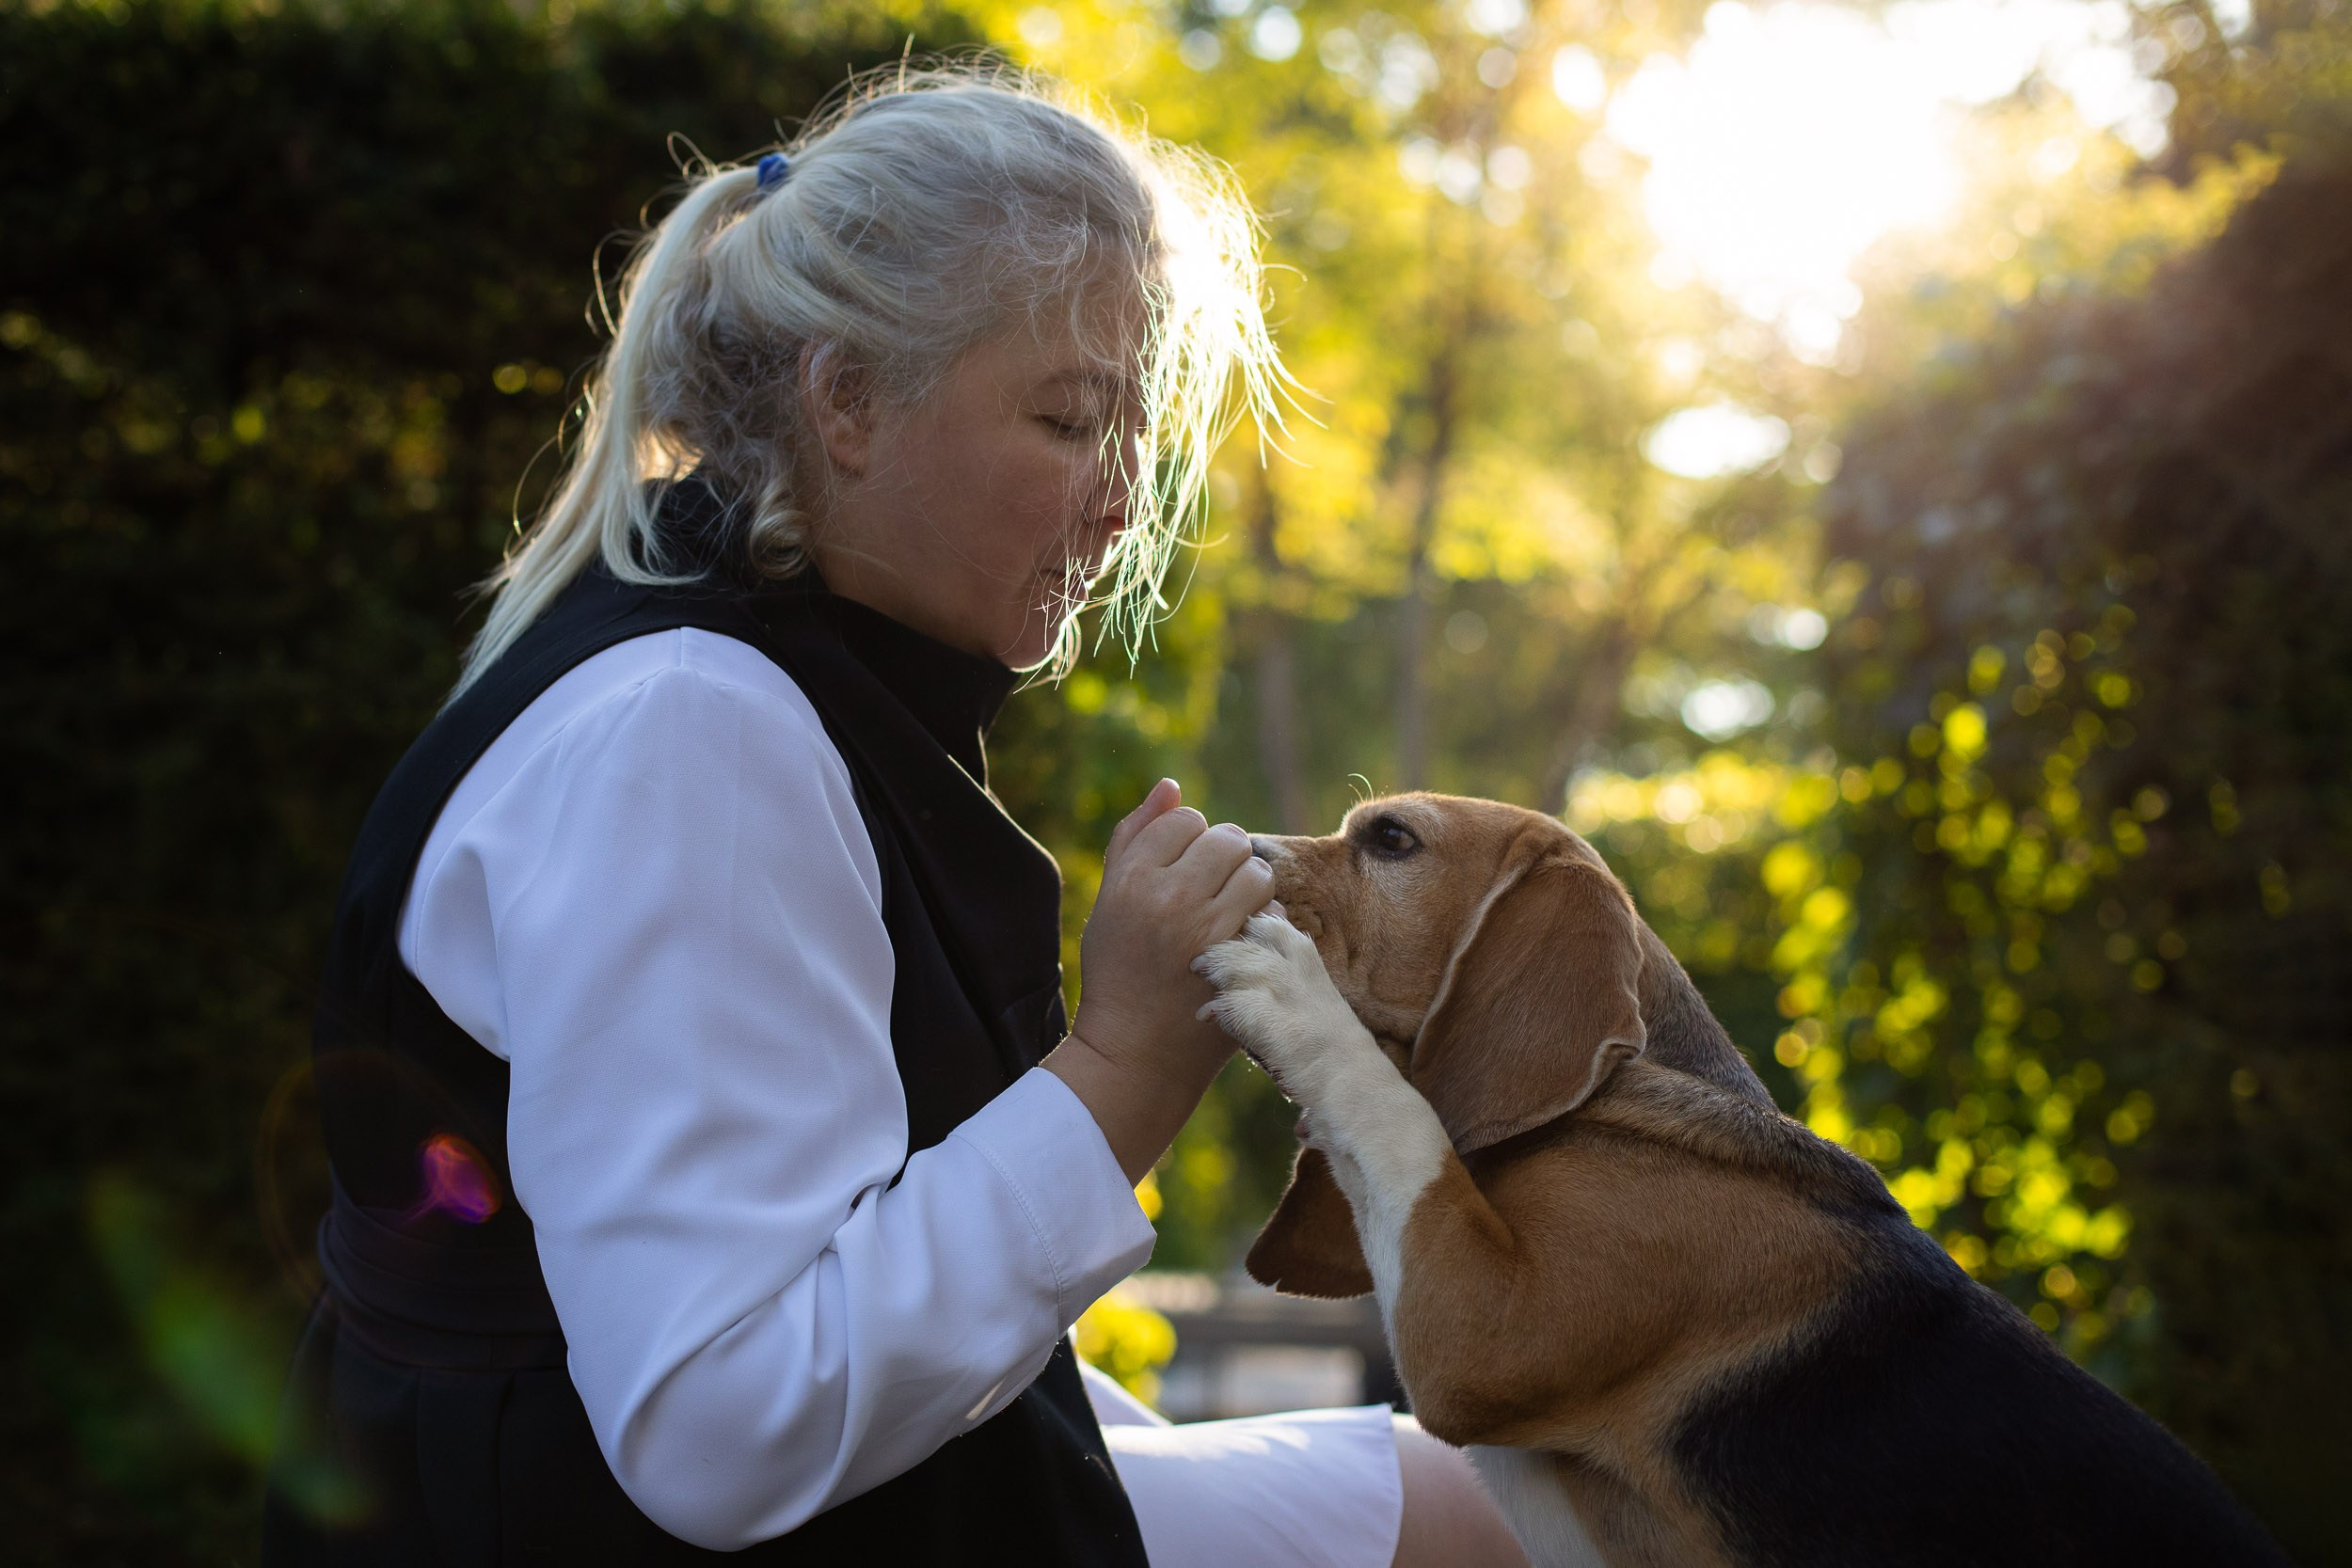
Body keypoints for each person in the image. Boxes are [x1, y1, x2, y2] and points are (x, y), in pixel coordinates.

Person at [262, 66, 1528, 1568]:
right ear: (848, 401)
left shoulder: (755, 676)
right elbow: (723, 1424)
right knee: (1497, 1525)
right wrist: (1124, 1069)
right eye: (1070, 419)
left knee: (1482, 1502)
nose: (1124, 499)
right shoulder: (693, 729)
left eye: (1138, 431)